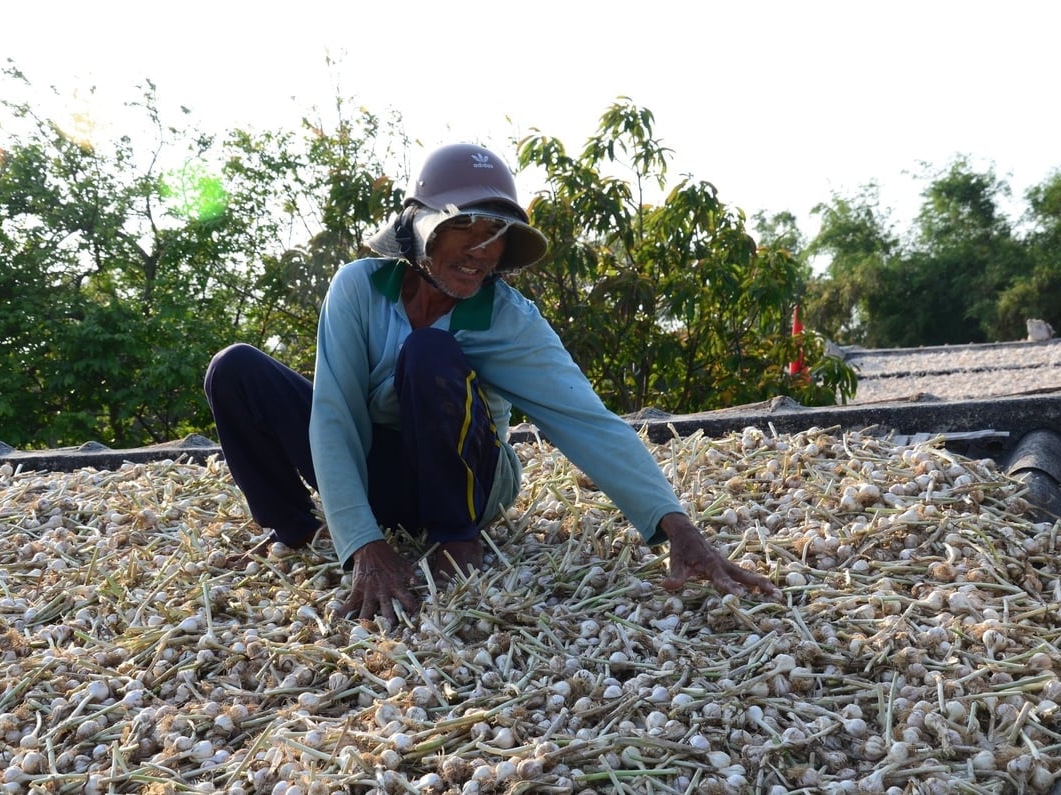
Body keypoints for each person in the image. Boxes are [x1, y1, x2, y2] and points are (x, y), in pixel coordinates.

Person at [204, 142, 778, 624]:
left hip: (466, 478)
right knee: (235, 369)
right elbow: (335, 415)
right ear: (420, 234)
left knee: (429, 352)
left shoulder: (507, 318)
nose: (482, 250)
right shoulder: (358, 288)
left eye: (496, 233)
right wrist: (363, 544)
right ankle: (298, 531)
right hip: (382, 472)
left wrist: (675, 526)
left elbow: (586, 421)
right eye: (463, 227)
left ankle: (457, 541)